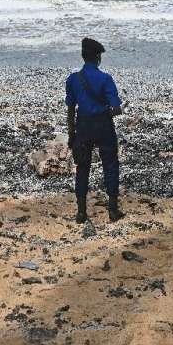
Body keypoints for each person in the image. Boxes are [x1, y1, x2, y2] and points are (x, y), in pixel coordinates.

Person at [66, 37, 125, 223]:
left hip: (83, 125)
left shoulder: (73, 79)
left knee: (82, 167)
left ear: (83, 56)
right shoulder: (106, 79)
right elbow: (116, 109)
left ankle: (81, 212)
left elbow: (70, 109)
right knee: (110, 164)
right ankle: (113, 210)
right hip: (103, 125)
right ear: (98, 57)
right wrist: (112, 109)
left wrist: (71, 134)